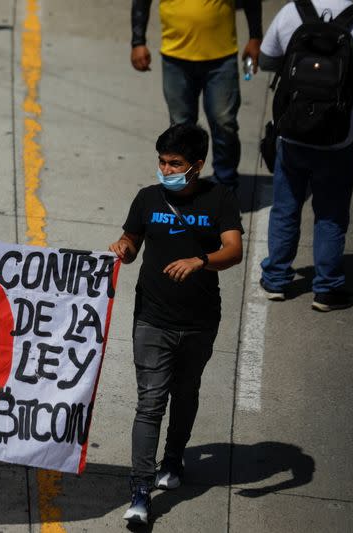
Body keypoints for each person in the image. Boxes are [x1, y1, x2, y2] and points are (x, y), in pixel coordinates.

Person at [109, 124, 243, 525]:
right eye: (162, 161)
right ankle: (140, 490)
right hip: (152, 318)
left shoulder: (220, 199)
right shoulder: (147, 198)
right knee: (150, 403)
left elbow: (234, 250)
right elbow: (131, 241)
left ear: (196, 166)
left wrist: (201, 261)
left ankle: (173, 459)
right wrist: (124, 249)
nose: (165, 168)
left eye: (175, 163)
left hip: (201, 321)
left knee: (185, 395)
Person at [258, 0, 353, 311]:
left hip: (292, 134)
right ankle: (327, 288)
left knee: (285, 207)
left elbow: (266, 59)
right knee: (331, 214)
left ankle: (276, 280)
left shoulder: (293, 12)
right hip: (339, 140)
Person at [130, 0, 263, 190]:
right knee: (180, 129)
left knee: (224, 124)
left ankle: (225, 187)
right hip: (175, 58)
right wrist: (138, 41)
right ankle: (184, 187)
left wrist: (255, 37)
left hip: (221, 59)